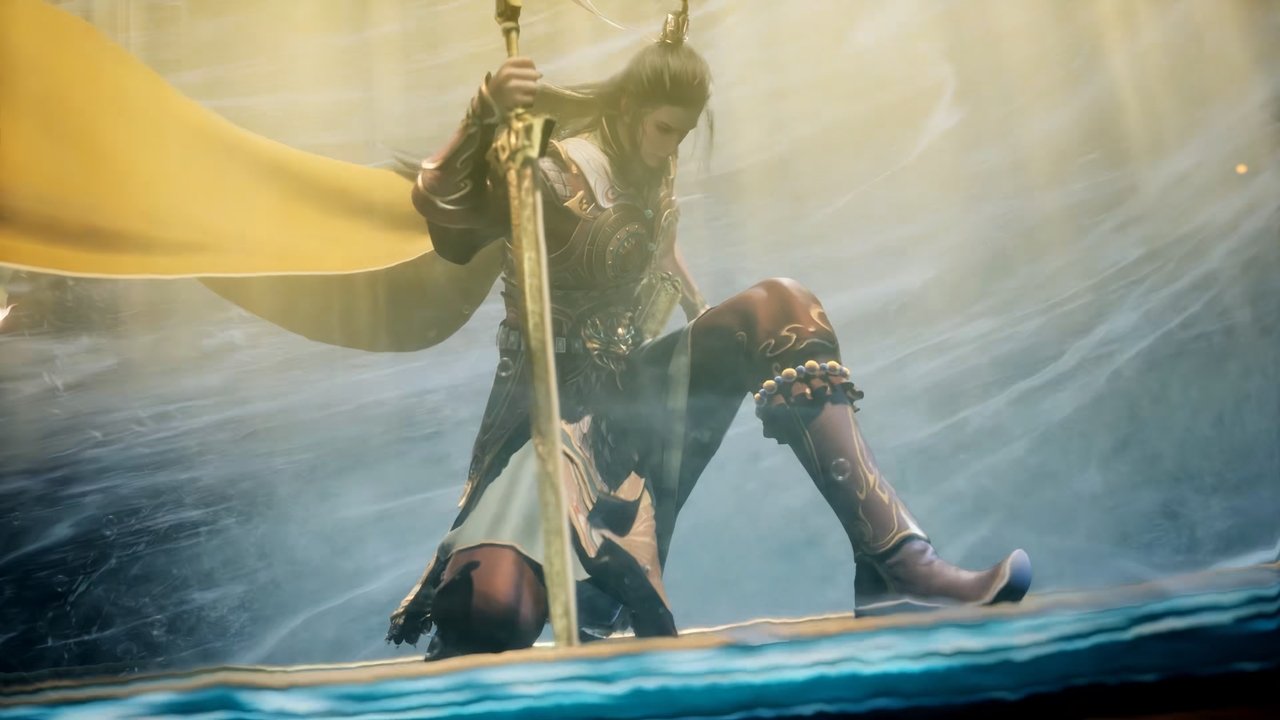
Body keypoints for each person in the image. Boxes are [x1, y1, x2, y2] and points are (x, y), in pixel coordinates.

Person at [385, 9, 1031, 658]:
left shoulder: (649, 166)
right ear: (630, 107)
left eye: (682, 134)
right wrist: (484, 110)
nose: (670, 147)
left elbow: (661, 252)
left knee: (781, 309)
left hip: (627, 406)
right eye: (664, 129)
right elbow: (438, 204)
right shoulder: (553, 173)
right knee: (494, 612)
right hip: (541, 415)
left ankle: (899, 567)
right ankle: (461, 649)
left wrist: (719, 333)